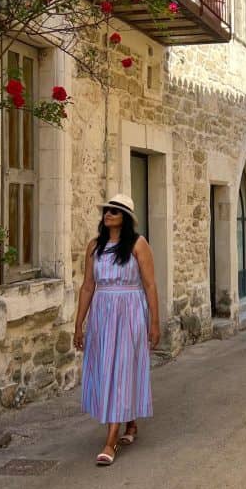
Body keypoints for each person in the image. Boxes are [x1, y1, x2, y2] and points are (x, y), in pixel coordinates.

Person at [73, 193, 160, 466]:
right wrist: (79, 323)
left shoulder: (138, 244)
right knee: (107, 367)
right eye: (106, 210)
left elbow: (149, 285)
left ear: (125, 218)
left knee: (122, 367)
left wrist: (154, 323)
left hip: (130, 311)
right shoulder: (94, 247)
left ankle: (110, 441)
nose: (108, 214)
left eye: (114, 211)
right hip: (102, 312)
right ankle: (130, 423)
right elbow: (88, 286)